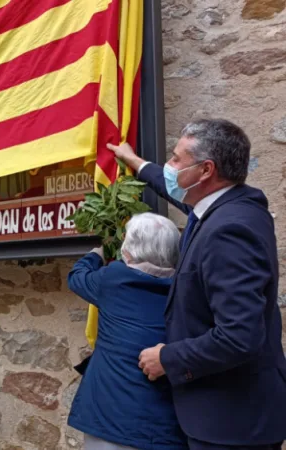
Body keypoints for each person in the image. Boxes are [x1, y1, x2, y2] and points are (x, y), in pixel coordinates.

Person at [109, 119, 286, 449]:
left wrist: (168, 359)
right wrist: (136, 163)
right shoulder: (229, 206)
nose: (170, 167)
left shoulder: (228, 231)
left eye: (176, 159)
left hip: (231, 424)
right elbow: (176, 192)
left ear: (206, 171)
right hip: (231, 417)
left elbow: (239, 337)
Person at [67, 213, 188, 450]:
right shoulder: (185, 287)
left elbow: (77, 278)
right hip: (166, 426)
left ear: (128, 251)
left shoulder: (114, 279)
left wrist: (95, 255)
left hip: (110, 420)